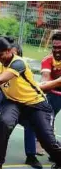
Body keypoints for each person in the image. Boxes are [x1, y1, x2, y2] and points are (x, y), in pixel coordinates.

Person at [0, 37, 61, 169]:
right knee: (3, 124)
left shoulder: (19, 63)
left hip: (35, 103)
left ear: (8, 51)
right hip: (13, 103)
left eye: (1, 55)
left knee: (47, 139)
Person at [39, 32, 61, 160]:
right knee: (47, 120)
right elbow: (45, 78)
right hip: (54, 94)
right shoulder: (47, 60)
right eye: (54, 47)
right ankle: (54, 150)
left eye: (60, 47)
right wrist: (45, 85)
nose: (57, 50)